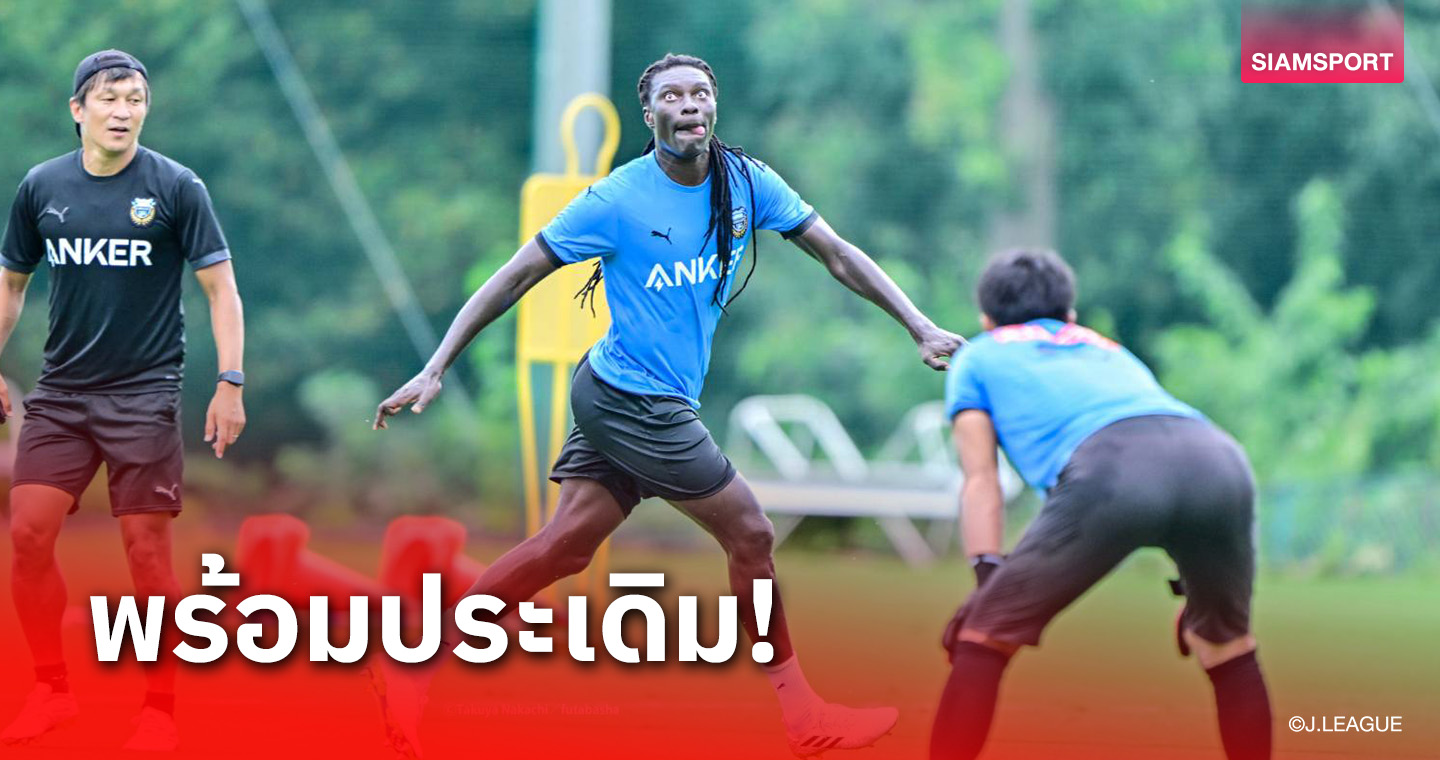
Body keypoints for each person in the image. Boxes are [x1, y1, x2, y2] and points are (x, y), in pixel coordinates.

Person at [372, 53, 962, 758]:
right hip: (632, 400)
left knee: (565, 548)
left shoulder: (747, 182)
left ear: (714, 106)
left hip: (635, 393)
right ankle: (802, 714)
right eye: (673, 95)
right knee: (751, 533)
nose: (690, 105)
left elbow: (837, 253)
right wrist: (435, 366)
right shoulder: (616, 199)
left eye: (701, 93)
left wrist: (919, 324)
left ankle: (414, 659)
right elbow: (515, 276)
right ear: (649, 113)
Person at [930, 249, 1272, 759]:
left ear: (985, 319)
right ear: (1069, 315)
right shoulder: (1106, 347)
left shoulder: (976, 356)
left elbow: (981, 480)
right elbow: (1170, 461)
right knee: (1227, 645)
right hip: (1218, 458)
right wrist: (1199, 585)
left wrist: (987, 576)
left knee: (981, 637)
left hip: (1114, 469)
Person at [0, 49, 246, 751]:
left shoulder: (176, 187)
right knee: (28, 533)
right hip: (62, 393)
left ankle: (159, 709)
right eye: (109, 98)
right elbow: (11, 285)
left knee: (145, 553)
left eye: (135, 99)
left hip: (144, 394)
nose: (123, 111)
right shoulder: (41, 187)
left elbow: (222, 291)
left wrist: (230, 382)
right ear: (77, 109)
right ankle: (52, 691)